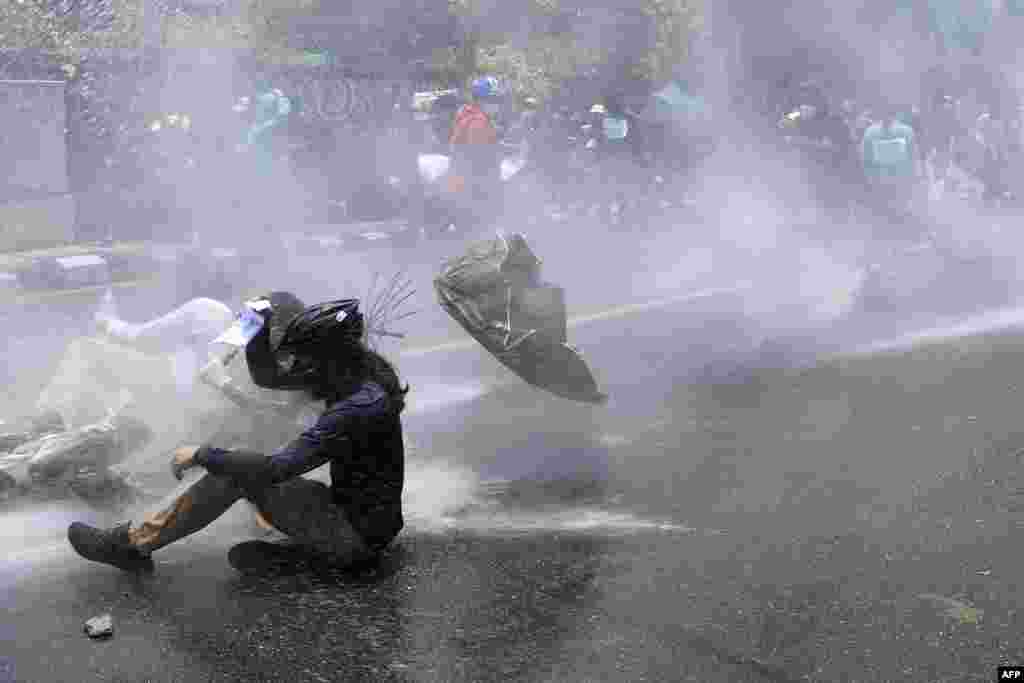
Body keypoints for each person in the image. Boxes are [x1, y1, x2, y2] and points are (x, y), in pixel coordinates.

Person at [67, 297, 409, 574]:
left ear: (329, 358)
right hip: (358, 523)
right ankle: (311, 552)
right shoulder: (357, 373)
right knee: (238, 460)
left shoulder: (358, 406)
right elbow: (268, 378)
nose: (297, 368)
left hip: (355, 537)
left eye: (305, 359)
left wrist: (204, 454)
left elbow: (277, 468)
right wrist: (256, 333)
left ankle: (130, 544)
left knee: (233, 473)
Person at [860, 104, 922, 235]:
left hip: (880, 180)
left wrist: (868, 178)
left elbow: (865, 159)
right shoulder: (906, 131)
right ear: (896, 114)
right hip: (900, 180)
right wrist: (914, 177)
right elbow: (913, 157)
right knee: (898, 214)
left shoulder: (870, 132)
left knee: (883, 215)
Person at [448, 76, 501, 217]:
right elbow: (478, 157)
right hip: (473, 189)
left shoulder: (467, 114)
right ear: (482, 99)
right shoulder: (479, 121)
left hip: (460, 182)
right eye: (494, 99)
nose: (498, 104)